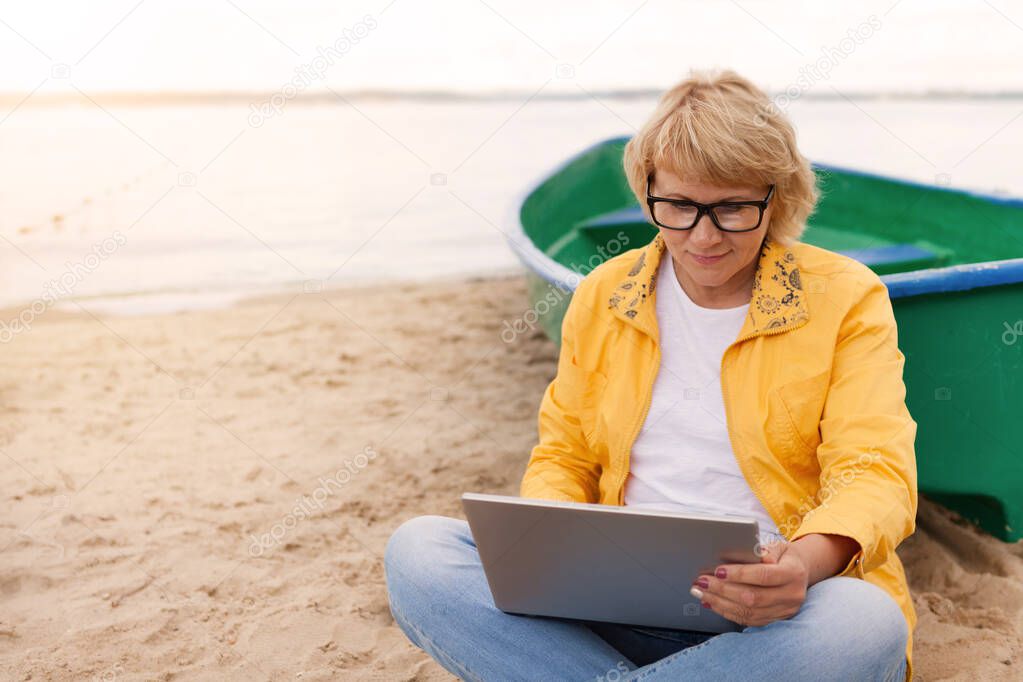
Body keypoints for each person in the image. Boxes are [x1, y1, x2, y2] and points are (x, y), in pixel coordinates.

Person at [385, 69, 917, 681]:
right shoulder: (604, 295)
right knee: (418, 551)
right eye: (680, 206)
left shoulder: (845, 296)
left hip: (774, 617)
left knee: (865, 622)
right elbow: (567, 454)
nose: (704, 236)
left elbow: (876, 470)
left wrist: (799, 565)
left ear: (778, 197)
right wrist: (549, 551)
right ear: (649, 192)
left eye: (733, 208)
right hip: (605, 607)